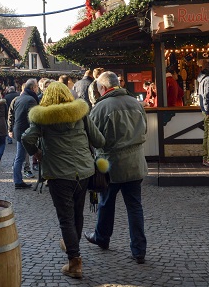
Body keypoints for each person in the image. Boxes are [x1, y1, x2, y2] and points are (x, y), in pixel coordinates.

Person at [22, 82, 105, 279]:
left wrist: (37, 153)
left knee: (66, 218)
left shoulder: (43, 118)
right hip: (84, 172)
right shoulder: (81, 113)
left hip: (59, 174)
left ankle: (74, 261)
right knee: (77, 213)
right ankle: (72, 247)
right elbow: (100, 141)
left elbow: (26, 139)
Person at [84, 71, 148, 264]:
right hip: (135, 163)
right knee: (135, 206)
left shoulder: (101, 107)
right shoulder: (135, 103)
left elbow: (94, 138)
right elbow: (144, 129)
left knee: (106, 203)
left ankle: (102, 237)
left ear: (103, 88)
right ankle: (139, 250)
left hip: (110, 164)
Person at [9, 78, 40, 188]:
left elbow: (12, 115)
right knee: (20, 157)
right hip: (24, 131)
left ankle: (18, 180)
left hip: (19, 130)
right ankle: (17, 181)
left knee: (20, 156)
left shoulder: (20, 98)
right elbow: (34, 118)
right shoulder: (31, 100)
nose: (38, 89)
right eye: (37, 86)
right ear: (33, 88)